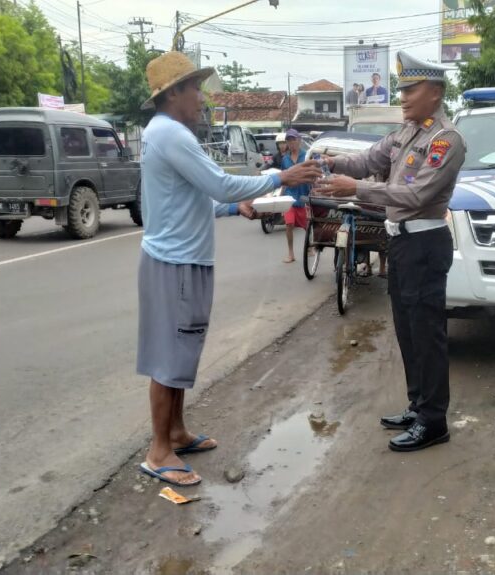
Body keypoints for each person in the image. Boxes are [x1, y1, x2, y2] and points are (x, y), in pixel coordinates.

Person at [136, 51, 321, 486]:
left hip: (184, 259)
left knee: (181, 351)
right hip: (175, 262)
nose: (201, 98)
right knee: (168, 357)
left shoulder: (168, 133)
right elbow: (220, 182)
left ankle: (176, 433)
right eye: (195, 88)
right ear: (174, 93)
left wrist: (232, 207)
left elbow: (196, 197)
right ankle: (159, 451)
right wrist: (280, 178)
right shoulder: (171, 135)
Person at [316, 51, 464, 452]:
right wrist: (332, 162)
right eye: (401, 90)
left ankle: (434, 421)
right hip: (400, 242)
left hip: (424, 243)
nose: (403, 97)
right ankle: (418, 406)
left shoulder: (445, 139)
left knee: (427, 334)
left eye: (410, 89)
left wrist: (356, 189)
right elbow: (367, 159)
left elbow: (418, 194)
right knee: (407, 331)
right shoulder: (407, 133)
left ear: (434, 92)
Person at [280, 129, 312, 263]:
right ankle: (291, 253)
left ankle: (310, 246)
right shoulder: (285, 159)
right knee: (289, 224)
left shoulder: (306, 156)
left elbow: (312, 177)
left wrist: (311, 198)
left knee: (307, 226)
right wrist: (281, 199)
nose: (291, 143)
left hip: (303, 197)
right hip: (289, 198)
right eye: (289, 140)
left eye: (293, 140)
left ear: (299, 141)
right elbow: (283, 180)